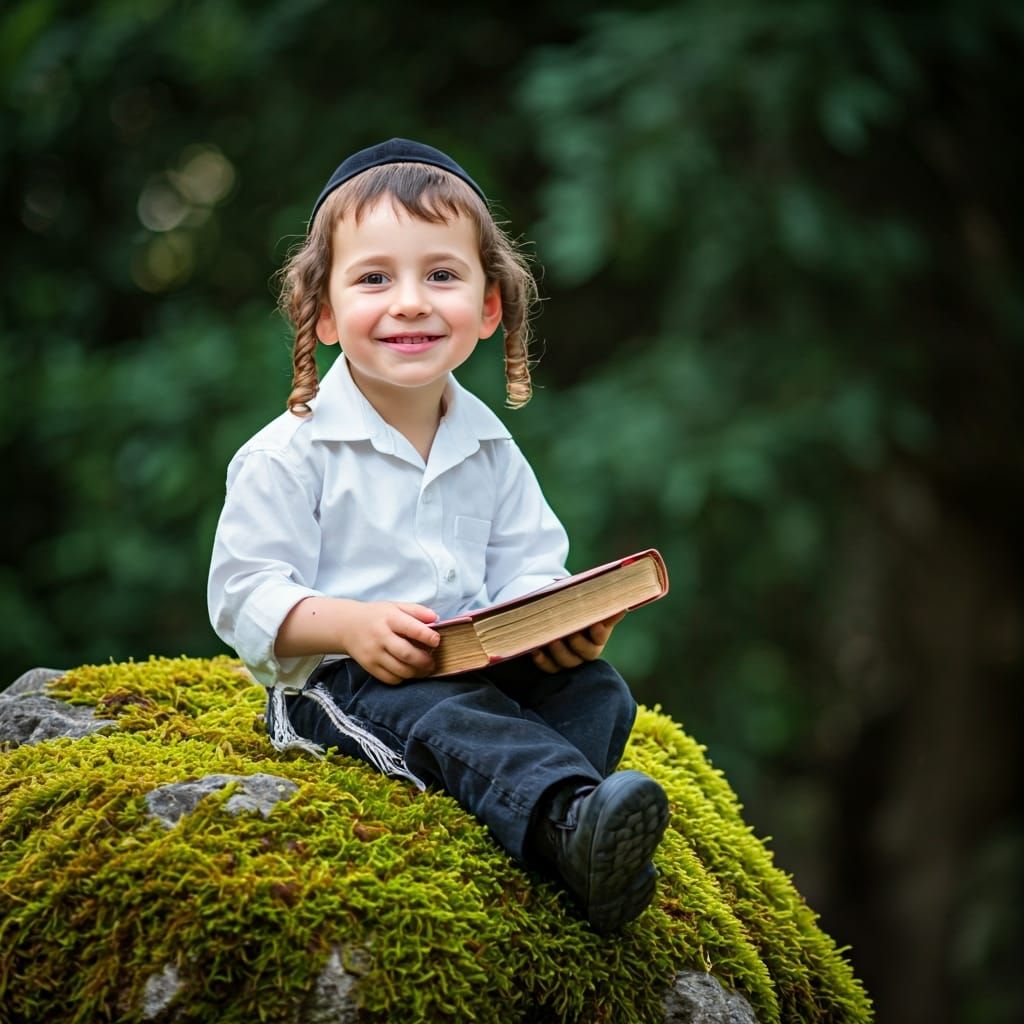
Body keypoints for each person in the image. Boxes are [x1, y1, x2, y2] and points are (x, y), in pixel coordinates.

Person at [207, 138, 668, 933]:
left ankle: (572, 834)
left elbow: (529, 567)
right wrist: (350, 623)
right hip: (340, 690)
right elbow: (243, 594)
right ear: (321, 311)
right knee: (446, 715)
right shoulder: (289, 454)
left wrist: (552, 627)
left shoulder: (489, 448)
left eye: (442, 275)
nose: (412, 301)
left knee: (598, 693)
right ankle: (565, 825)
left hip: (472, 672)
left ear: (489, 308)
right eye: (375, 277)